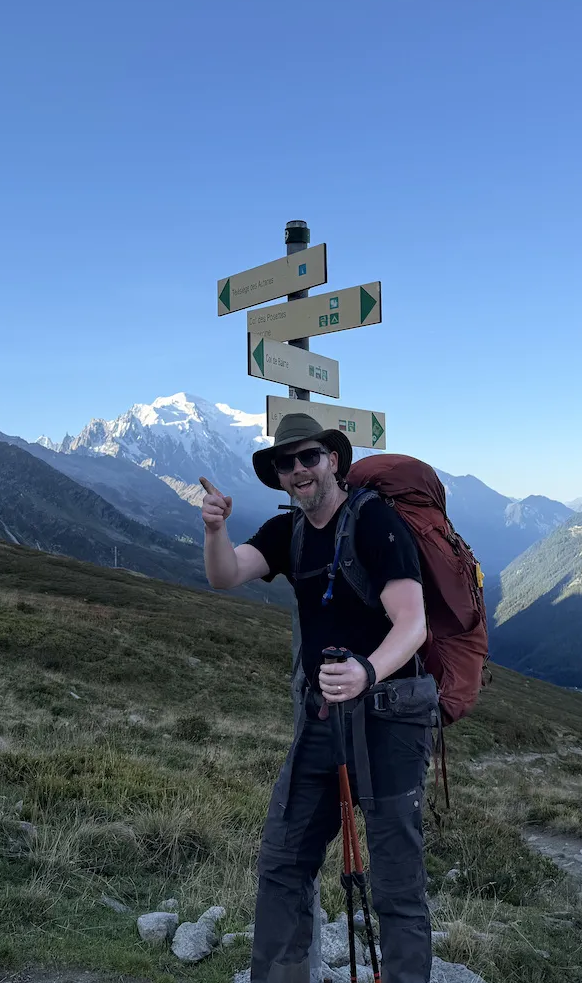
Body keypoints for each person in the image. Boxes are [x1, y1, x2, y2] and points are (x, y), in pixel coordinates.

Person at [200, 412, 436, 983]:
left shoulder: (376, 523)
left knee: (396, 884)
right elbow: (226, 575)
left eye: (309, 457)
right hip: (322, 719)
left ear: (333, 459)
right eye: (287, 463)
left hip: (389, 716)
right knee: (283, 863)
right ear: (279, 476)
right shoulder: (289, 532)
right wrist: (214, 530)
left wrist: (366, 672)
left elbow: (412, 623)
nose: (299, 471)